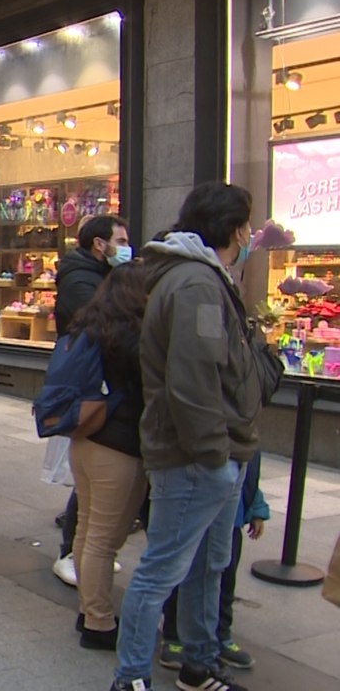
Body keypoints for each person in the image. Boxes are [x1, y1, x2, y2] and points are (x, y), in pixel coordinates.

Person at [111, 182, 264, 691]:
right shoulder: (197, 283)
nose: (250, 234)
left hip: (210, 452)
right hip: (195, 457)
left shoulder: (202, 278)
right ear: (232, 228)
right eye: (246, 225)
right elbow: (195, 378)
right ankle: (131, 676)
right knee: (164, 569)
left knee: (206, 565)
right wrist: (215, 455)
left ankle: (198, 663)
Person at [59, 262, 149, 651]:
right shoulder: (135, 335)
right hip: (119, 444)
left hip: (85, 437)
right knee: (103, 538)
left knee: (87, 531)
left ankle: (89, 609)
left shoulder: (90, 325)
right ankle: (98, 621)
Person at [52, 214, 132, 586]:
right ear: (99, 244)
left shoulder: (99, 275)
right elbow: (104, 322)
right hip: (89, 385)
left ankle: (85, 551)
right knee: (87, 477)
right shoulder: (80, 279)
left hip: (105, 383)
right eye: (121, 239)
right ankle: (71, 551)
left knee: (92, 478)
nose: (126, 246)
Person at [158, 452, 269, 671]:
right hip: (196, 509)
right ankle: (174, 635)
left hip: (231, 518)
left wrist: (257, 509)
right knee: (183, 576)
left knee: (224, 579)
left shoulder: (245, 428)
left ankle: (221, 635)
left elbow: (248, 468)